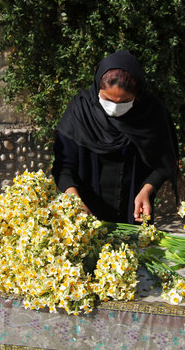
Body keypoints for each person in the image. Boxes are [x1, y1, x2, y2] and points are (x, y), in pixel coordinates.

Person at [52, 50, 178, 224]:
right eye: (107, 99)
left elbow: (164, 162)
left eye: (124, 101)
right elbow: (63, 167)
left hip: (135, 216)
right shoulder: (80, 113)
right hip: (87, 215)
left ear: (137, 96)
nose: (114, 107)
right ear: (97, 88)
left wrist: (147, 190)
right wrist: (75, 202)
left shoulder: (151, 113)